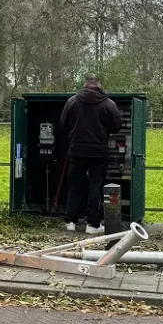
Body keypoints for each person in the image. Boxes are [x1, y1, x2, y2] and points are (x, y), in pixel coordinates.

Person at [61, 75, 122, 234]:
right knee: (96, 185)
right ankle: (93, 224)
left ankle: (70, 221)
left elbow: (63, 123)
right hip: (98, 152)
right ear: (99, 85)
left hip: (76, 150)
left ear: (85, 85)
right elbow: (116, 126)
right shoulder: (108, 104)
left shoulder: (72, 102)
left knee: (75, 185)